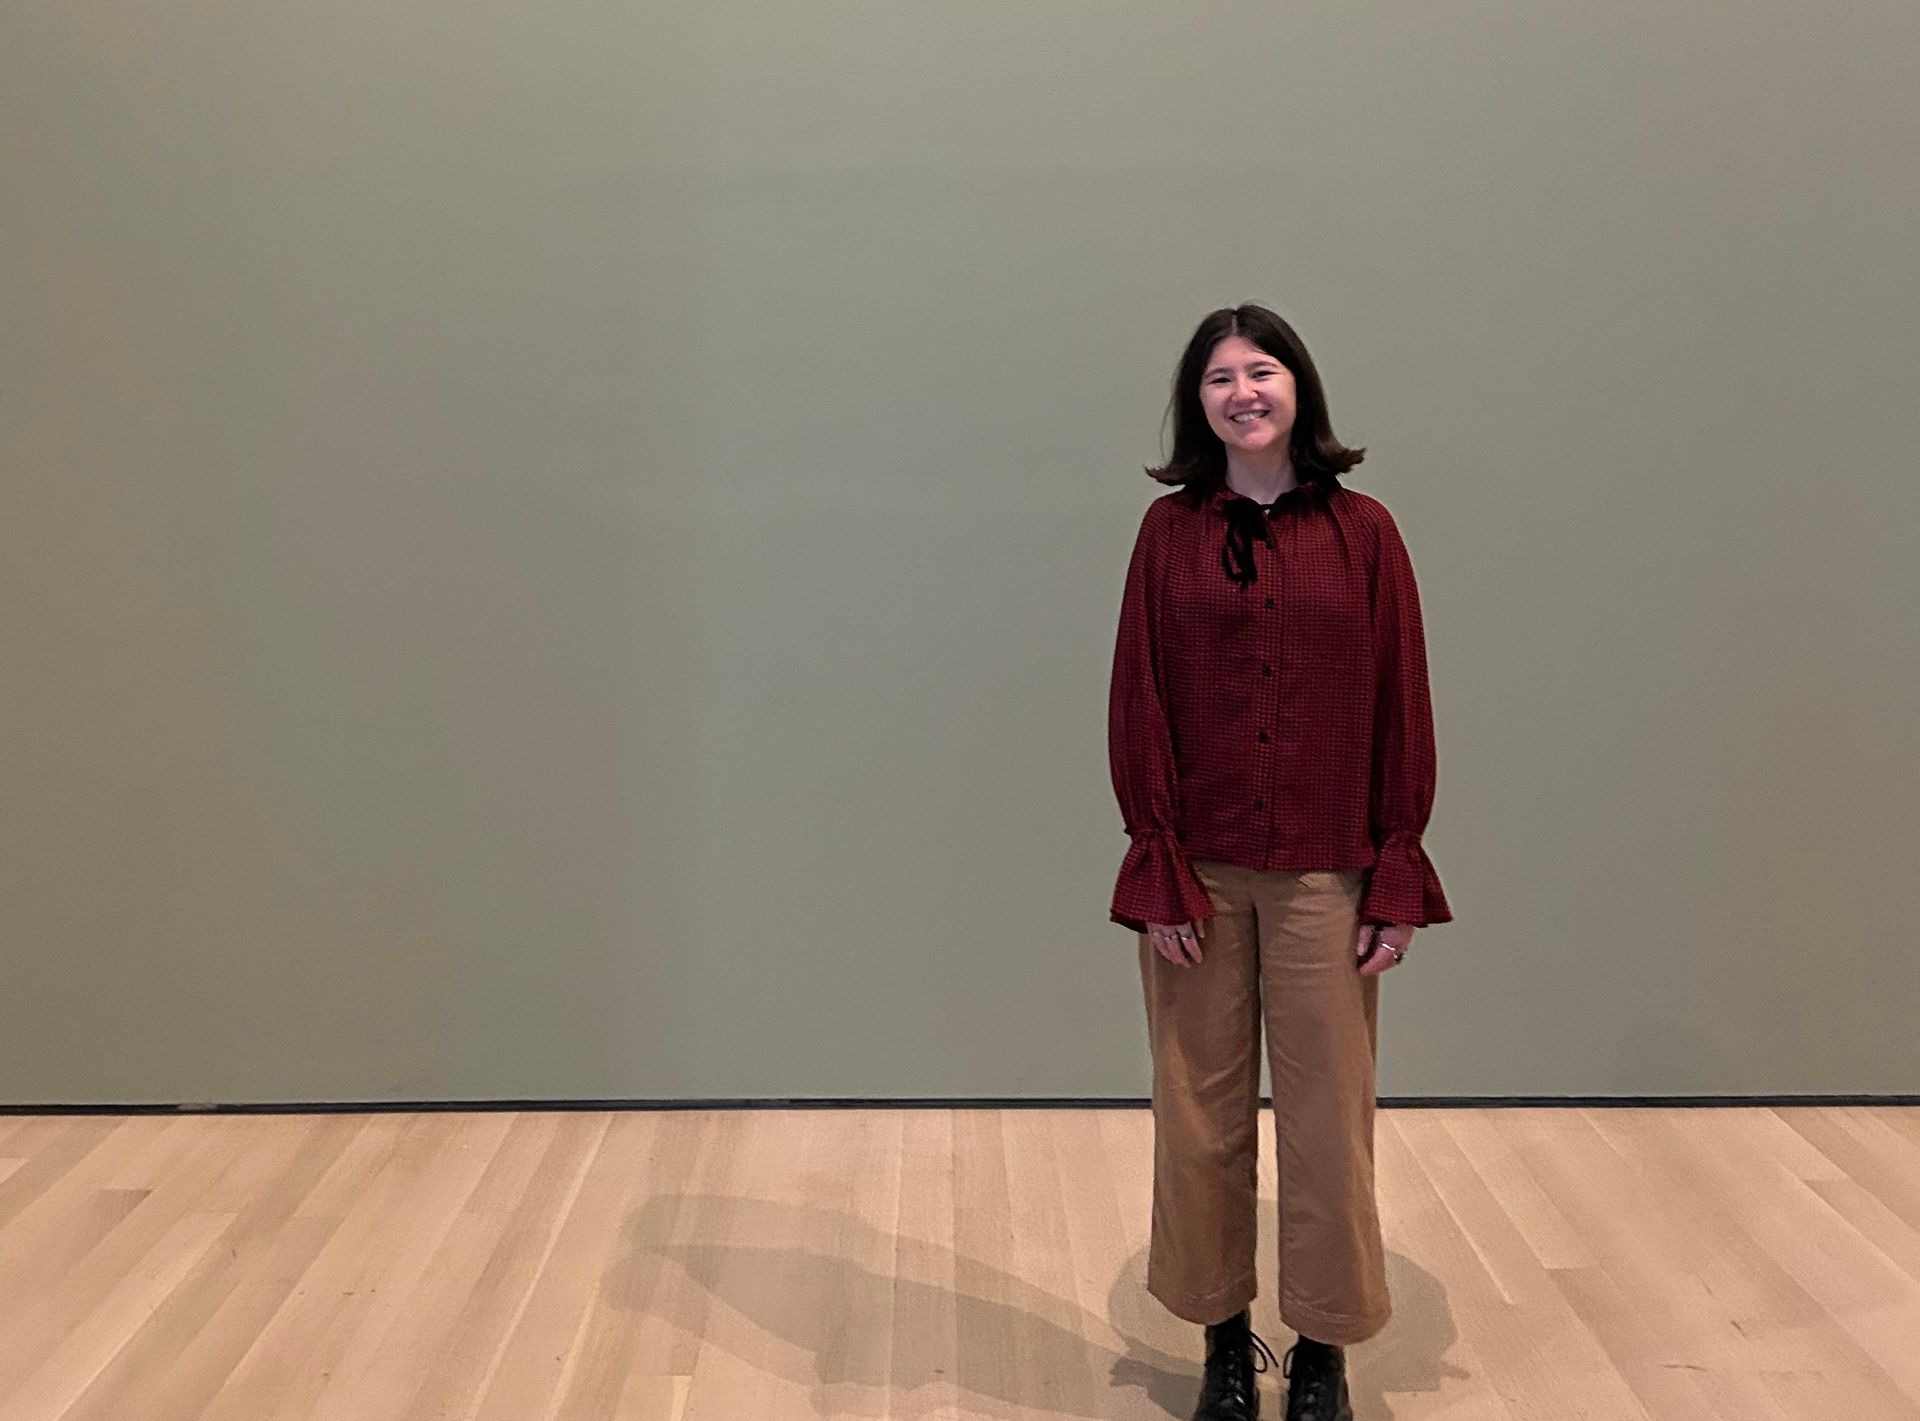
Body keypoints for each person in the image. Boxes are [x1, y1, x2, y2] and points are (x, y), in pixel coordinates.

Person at [1107, 304, 1452, 1421]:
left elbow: (1402, 699)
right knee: (1197, 1113)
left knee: (1328, 1118)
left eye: (1261, 370)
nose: (1242, 392)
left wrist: (1397, 868)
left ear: (1299, 388)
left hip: (1326, 874)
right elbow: (1139, 694)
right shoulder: (1167, 535)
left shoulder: (1367, 533)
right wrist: (1156, 858)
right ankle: (1222, 1340)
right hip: (1200, 872)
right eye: (1219, 377)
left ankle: (1323, 1351)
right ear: (1197, 402)